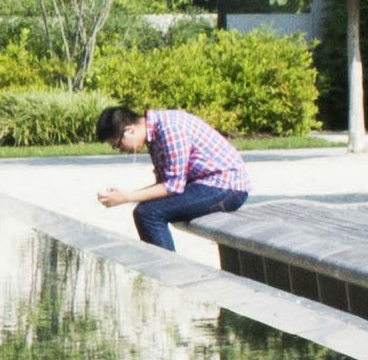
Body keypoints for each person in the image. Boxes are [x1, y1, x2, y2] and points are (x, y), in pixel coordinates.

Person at [94, 100, 251, 251]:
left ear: (129, 130)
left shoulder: (170, 129)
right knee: (146, 211)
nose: (121, 151)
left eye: (118, 145)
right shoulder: (154, 132)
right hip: (206, 183)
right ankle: (162, 270)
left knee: (148, 214)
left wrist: (126, 197)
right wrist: (125, 196)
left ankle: (167, 273)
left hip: (227, 186)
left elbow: (173, 186)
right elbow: (164, 184)